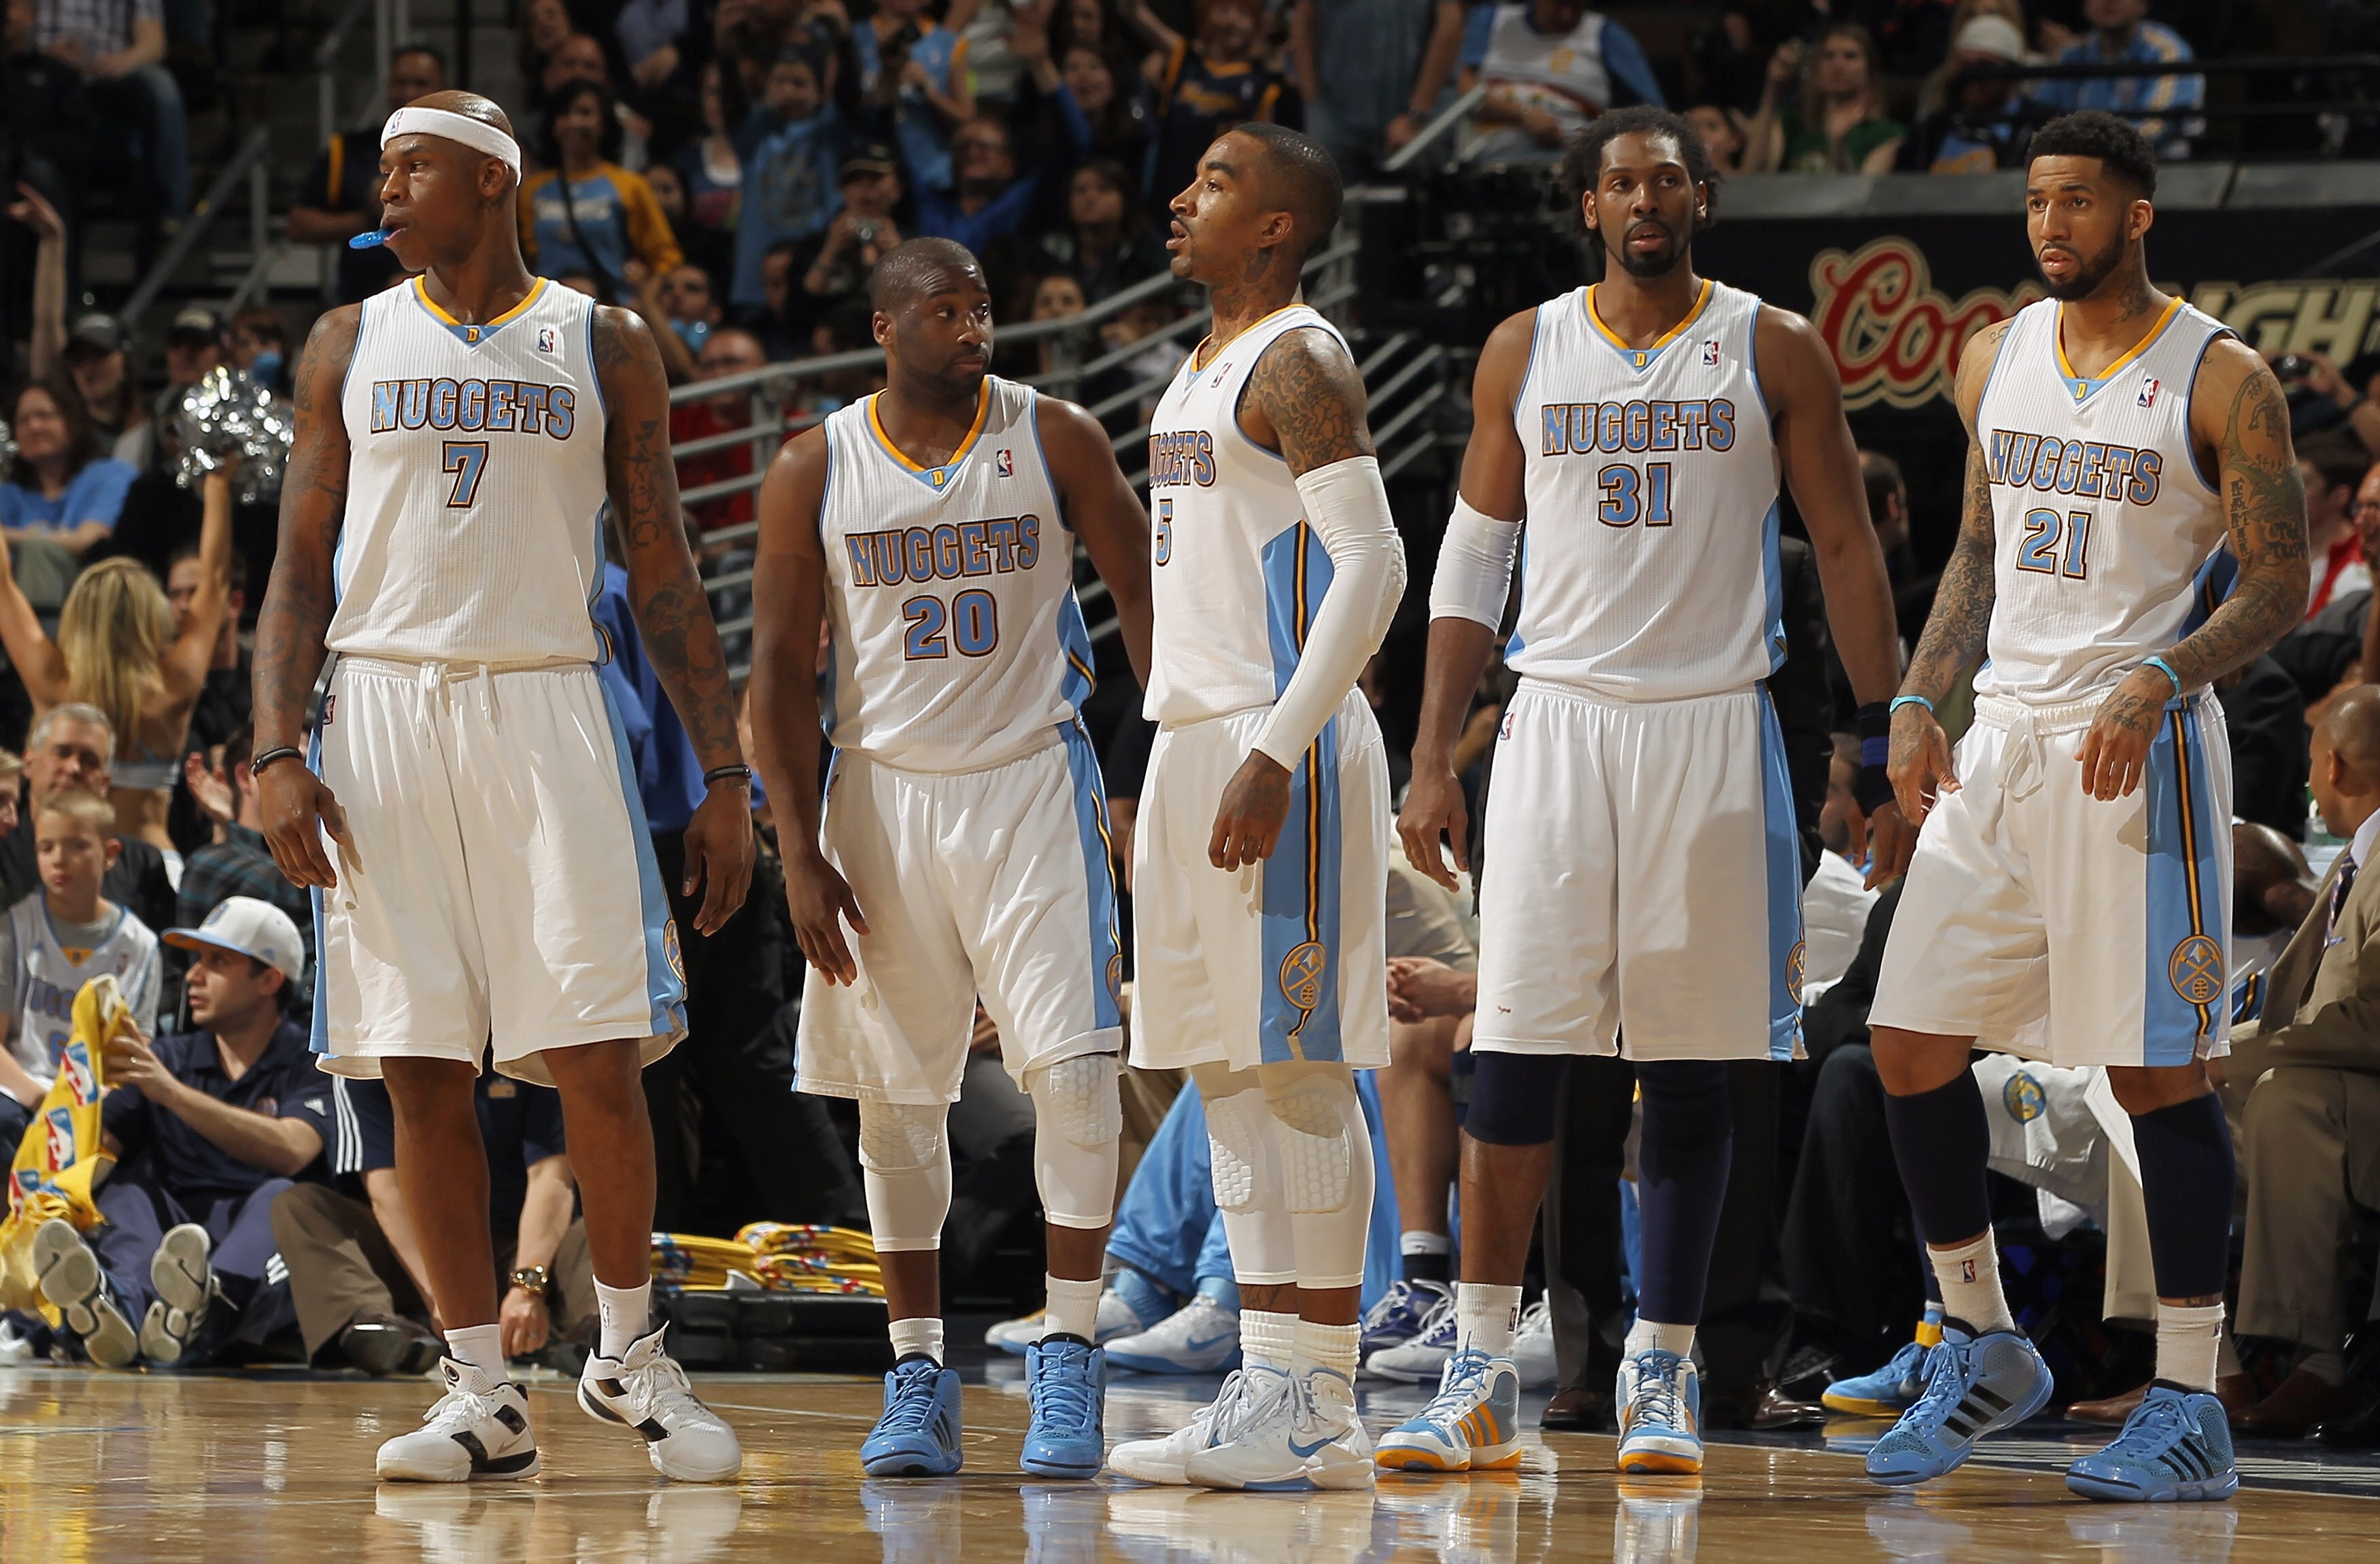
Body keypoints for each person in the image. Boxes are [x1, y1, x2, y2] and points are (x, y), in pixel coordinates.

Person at [1381, 103, 1909, 1480]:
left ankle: (1662, 1366)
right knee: (1513, 1052)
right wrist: (1435, 751)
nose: (1643, 200)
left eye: (1666, 178)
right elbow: (1470, 565)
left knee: (1688, 1065)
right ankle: (1482, 1365)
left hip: (1712, 728)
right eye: (1619, 181)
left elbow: (1845, 546)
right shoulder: (1526, 345)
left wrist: (1883, 725)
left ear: (1700, 200)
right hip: (1554, 723)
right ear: (1587, 207)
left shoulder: (1771, 344)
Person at [251, 88, 753, 1484]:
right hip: (381, 707)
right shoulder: (348, 338)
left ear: (491, 180)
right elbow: (295, 564)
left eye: (412, 168)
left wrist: (724, 773)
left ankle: (630, 1354)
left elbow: (662, 565)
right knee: (419, 1066)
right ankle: (479, 1386)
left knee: (595, 1056)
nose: (386, 189)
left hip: (546, 698)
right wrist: (276, 744)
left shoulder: (604, 340)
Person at [1867, 111, 2309, 1503]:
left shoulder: (2221, 378)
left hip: (2144, 750)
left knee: (2153, 1076)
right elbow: (1976, 552)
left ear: (2138, 215)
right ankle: (1988, 1344)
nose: (2049, 225)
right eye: (2035, 203)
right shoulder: (1991, 356)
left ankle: (2189, 1400)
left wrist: (2162, 671)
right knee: (1905, 1037)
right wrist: (1919, 697)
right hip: (2002, 738)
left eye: (2077, 203)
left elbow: (2277, 583)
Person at [747, 235, 1155, 1479]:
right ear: (884, 325)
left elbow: (1152, 613)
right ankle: (917, 1369)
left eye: (982, 306)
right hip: (879, 801)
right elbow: (773, 673)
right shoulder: (815, 464)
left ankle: (1070, 1355)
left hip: (1034, 778)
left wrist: (1143, 780)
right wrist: (800, 851)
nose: (971, 323)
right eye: (942, 306)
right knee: (897, 1097)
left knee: (1078, 1072)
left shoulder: (1059, 434)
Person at [1105, 122, 1406, 1493]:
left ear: (1277, 225)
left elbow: (1375, 568)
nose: (1182, 199)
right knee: (1221, 1066)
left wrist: (1277, 747)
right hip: (1194, 736)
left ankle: (1319, 1390)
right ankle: (1269, 1382)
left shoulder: (1301, 353)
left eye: (1215, 184)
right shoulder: (1201, 366)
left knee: (1295, 1069)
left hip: (1277, 741)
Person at [28, 897, 318, 1370]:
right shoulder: (166, 1055)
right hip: (168, 1240)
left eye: (217, 962)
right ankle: (117, 1306)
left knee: (282, 1196)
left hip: (253, 1245)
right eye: (195, 960)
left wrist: (171, 1093)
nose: (192, 976)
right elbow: (93, 1154)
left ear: (269, 980)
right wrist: (86, 1083)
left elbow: (292, 1150)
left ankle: (202, 1312)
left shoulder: (310, 1060)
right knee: (123, 1189)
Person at [2228, 687, 2380, 1436]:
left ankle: (2317, 1362)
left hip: (2355, 1090)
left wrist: (2238, 1053)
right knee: (2158, 1093)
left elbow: (2372, 1019)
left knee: (2281, 1097)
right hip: (2329, 1080)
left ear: (2331, 764)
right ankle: (2199, 1362)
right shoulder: (2356, 857)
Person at [273, 1063, 590, 1376]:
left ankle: (597, 1334)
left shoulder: (525, 1049)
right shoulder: (369, 1062)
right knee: (300, 1205)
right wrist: (440, 1297)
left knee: (605, 1219)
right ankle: (378, 1329)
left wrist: (527, 1287)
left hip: (518, 1245)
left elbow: (551, 1177)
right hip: (418, 1255)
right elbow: (387, 1190)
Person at [0, 464, 233, 855]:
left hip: (68, 869)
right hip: (157, 868)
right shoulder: (171, 688)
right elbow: (216, 579)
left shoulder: (54, 683)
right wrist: (219, 483)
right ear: (150, 621)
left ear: (77, 618)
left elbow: (4, 585)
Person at [0, 787, 164, 1112]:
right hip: (19, 1090)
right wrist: (38, 1099)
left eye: (77, 846)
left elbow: (134, 1055)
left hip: (99, 1101)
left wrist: (95, 1104)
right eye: (46, 848)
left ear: (110, 854)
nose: (59, 859)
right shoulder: (14, 928)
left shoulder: (141, 946)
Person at [287, 44, 449, 305]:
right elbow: (298, 224)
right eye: (400, 82)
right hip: (360, 306)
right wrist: (368, 216)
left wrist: (418, 278)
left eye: (421, 83)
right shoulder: (349, 150)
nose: (409, 92)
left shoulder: (462, 156)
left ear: (443, 90)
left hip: (443, 305)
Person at [0, 703, 177, 941]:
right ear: (29, 763)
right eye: (62, 753)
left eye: (89, 761)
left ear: (105, 783)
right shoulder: (2, 848)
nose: (73, 768)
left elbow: (168, 966)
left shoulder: (142, 864)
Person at [520, 77, 685, 303]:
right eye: (565, 114)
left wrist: (644, 297)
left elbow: (667, 258)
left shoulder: (631, 186)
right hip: (547, 315)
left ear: (603, 123)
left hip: (611, 312)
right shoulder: (532, 190)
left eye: (585, 113)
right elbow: (526, 260)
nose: (574, 122)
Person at [1129, 0, 1294, 219]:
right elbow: (1136, 13)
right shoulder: (1185, 59)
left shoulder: (1261, 84)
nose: (1233, 22)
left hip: (1216, 202)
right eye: (1224, 10)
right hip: (1165, 188)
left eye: (1244, 15)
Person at [177, 720, 313, 972]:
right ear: (244, 777)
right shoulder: (212, 863)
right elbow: (290, 881)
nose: (313, 779)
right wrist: (225, 826)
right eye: (300, 764)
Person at [33, 0, 186, 220]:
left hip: (113, 69)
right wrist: (48, 54)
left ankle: (171, 213)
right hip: (47, 68)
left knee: (163, 87)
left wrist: (124, 61)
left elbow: (154, 43)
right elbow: (17, 23)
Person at [1459, 1, 1665, 165]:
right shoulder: (1491, 19)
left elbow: (1653, 112)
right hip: (1485, 158)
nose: (1567, 15)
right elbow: (1466, 93)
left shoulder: (1606, 35)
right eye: (1560, 4)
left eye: (1577, 6)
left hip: (1565, 162)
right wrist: (1524, 115)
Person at [1291, 0, 1464, 180]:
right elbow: (1303, 21)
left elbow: (1449, 25)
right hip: (1334, 115)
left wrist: (1416, 114)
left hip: (1414, 118)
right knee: (1323, 196)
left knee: (1418, 197)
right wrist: (1313, 101)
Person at [730, 48, 845, 313]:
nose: (788, 92)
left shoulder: (831, 131)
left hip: (815, 272)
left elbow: (848, 95)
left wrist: (842, 42)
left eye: (799, 83)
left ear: (821, 91)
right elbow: (732, 105)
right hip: (756, 283)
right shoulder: (754, 134)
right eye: (779, 82)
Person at [2029, 0, 2202, 159]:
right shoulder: (2070, 54)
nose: (2109, 1)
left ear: (2142, 4)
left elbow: (2157, 127)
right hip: (2079, 168)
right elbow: (2041, 118)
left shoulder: (2167, 51)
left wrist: (2092, 149)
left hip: (2157, 168)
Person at [1899, 14, 2056, 175]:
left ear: (2011, 72)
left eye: (1984, 66)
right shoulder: (1933, 129)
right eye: (1966, 66)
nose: (1973, 78)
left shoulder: (2041, 127)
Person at [0, 378, 137, 554]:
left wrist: (7, 537)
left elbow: (88, 542)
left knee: (36, 551)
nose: (34, 427)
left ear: (73, 422)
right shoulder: (7, 493)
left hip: (87, 577)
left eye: (44, 415)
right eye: (23, 420)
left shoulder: (111, 475)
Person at [1750, 23, 1905, 175]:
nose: (1838, 64)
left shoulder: (1887, 134)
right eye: (1828, 56)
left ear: (1869, 70)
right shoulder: (1792, 123)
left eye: (1850, 56)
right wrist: (1772, 94)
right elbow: (1752, 175)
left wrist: (1838, 146)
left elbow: (1865, 195)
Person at [1036, 160, 1166, 305]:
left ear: (1126, 199)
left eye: (1104, 189)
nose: (1090, 198)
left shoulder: (1149, 252)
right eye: (1081, 190)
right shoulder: (1049, 252)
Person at [799, 144, 906, 316]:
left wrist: (898, 254)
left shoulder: (914, 243)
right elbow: (799, 309)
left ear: (897, 189)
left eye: (876, 177)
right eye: (855, 179)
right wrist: (830, 251)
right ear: (841, 189)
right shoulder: (814, 245)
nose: (865, 187)